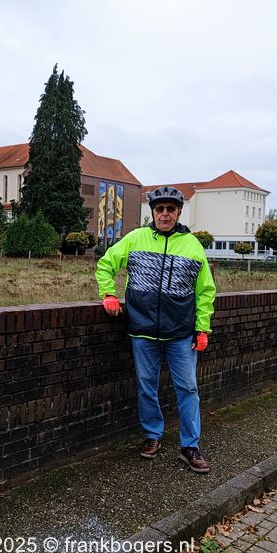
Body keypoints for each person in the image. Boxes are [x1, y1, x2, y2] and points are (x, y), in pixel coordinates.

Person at [95, 186, 216, 473]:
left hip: (181, 333)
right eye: (159, 209)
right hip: (143, 330)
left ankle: (190, 447)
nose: (164, 214)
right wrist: (108, 294)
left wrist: (202, 329)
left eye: (170, 209)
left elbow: (206, 291)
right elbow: (105, 264)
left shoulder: (192, 245)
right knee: (146, 387)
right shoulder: (135, 239)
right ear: (152, 212)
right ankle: (152, 435)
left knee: (188, 388)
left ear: (178, 212)